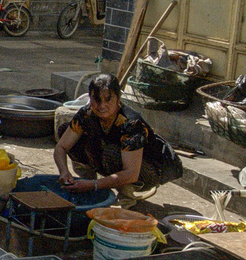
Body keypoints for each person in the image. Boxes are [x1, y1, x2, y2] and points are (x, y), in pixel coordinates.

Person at [54, 73, 184, 202]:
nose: (102, 105)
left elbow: (131, 173)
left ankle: (126, 194)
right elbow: (61, 147)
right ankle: (88, 181)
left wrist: (94, 185)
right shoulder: (87, 113)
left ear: (118, 98)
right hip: (116, 160)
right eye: (96, 99)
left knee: (111, 153)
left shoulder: (131, 124)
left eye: (108, 99)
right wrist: (64, 172)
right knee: (66, 130)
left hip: (148, 170)